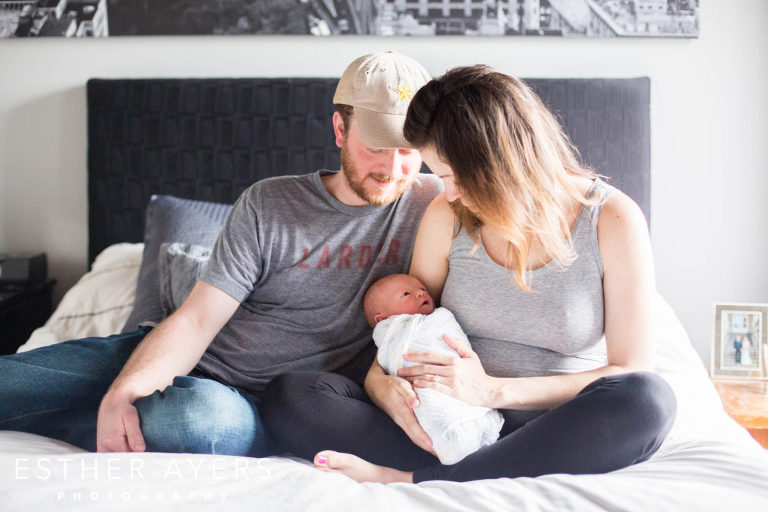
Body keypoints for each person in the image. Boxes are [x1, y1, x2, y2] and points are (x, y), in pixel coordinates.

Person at [0, 51, 442, 457]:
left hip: (258, 405)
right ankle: (102, 412)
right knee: (11, 382)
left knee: (190, 420)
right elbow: (197, 320)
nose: (392, 167)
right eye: (376, 146)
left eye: (407, 150)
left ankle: (98, 417)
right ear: (340, 129)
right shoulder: (269, 203)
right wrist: (123, 392)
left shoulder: (434, 207)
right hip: (182, 358)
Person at [260, 65, 677, 483]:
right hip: (446, 423)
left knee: (647, 401)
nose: (450, 193)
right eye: (442, 177)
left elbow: (629, 368)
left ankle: (411, 480)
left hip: (551, 429)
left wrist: (492, 390)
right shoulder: (448, 215)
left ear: (503, 162)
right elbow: (405, 328)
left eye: (456, 177)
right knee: (292, 396)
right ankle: (473, 469)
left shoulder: (611, 219)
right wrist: (381, 389)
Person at [364, 273, 503, 464]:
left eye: (422, 289)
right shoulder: (390, 332)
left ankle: (464, 445)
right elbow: (389, 356)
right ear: (383, 320)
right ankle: (455, 448)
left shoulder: (441, 318)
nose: (421, 293)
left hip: (466, 382)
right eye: (406, 294)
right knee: (425, 406)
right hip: (419, 388)